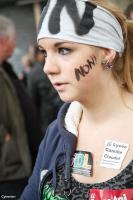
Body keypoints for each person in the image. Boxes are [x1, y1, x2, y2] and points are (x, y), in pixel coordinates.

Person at [21, 0, 133, 199]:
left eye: (64, 50)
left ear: (107, 53)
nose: (48, 67)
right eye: (44, 52)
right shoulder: (56, 132)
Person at [0, 15, 42, 198]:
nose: (16, 44)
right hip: (9, 169)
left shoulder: (5, 69)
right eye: (14, 39)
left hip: (22, 163)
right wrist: (7, 140)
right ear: (4, 40)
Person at [28, 45, 62, 133]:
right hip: (58, 116)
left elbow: (32, 101)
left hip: (48, 120)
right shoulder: (59, 65)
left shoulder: (34, 72)